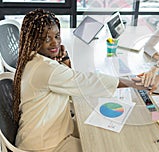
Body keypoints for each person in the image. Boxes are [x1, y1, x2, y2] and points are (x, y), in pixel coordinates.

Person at [13, 8, 133, 152]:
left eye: (57, 36)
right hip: (44, 145)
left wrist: (64, 61)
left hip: (40, 132)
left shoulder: (33, 59)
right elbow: (86, 81)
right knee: (102, 143)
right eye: (46, 39)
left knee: (97, 131)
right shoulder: (47, 68)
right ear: (33, 41)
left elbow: (61, 79)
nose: (55, 43)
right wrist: (130, 83)